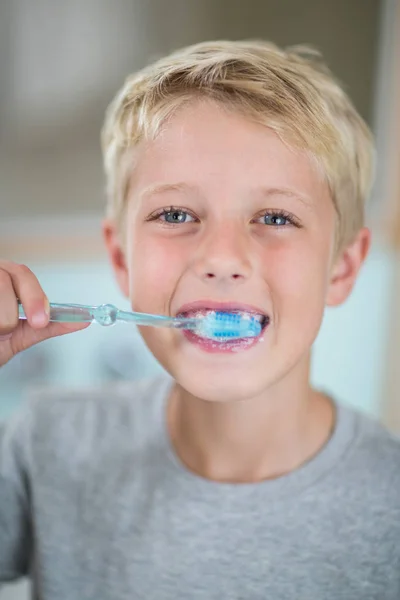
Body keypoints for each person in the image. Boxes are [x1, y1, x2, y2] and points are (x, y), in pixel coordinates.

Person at [0, 40, 399, 600]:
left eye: (276, 217)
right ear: (121, 258)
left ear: (342, 268)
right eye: (177, 214)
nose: (221, 258)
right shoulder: (44, 445)